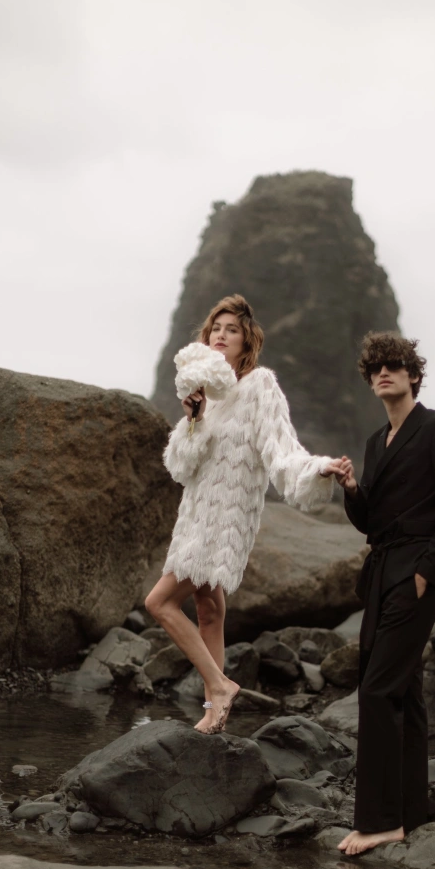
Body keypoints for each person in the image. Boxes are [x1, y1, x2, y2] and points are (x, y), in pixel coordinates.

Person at [146, 294, 347, 735]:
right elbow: (181, 466)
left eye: (231, 329)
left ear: (246, 341)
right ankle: (214, 711)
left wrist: (317, 468)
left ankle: (220, 687)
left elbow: (281, 448)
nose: (221, 335)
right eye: (215, 328)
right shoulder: (206, 394)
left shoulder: (260, 385)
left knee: (159, 603)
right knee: (208, 610)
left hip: (226, 518)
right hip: (195, 512)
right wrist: (195, 418)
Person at [334, 331, 435, 855]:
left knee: (376, 691)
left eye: (393, 366)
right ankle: (412, 813)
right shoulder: (377, 442)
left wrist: (427, 573)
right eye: (375, 369)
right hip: (382, 572)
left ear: (413, 375)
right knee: (405, 691)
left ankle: (379, 821)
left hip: (414, 571)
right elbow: (371, 520)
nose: (383, 374)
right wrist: (352, 490)